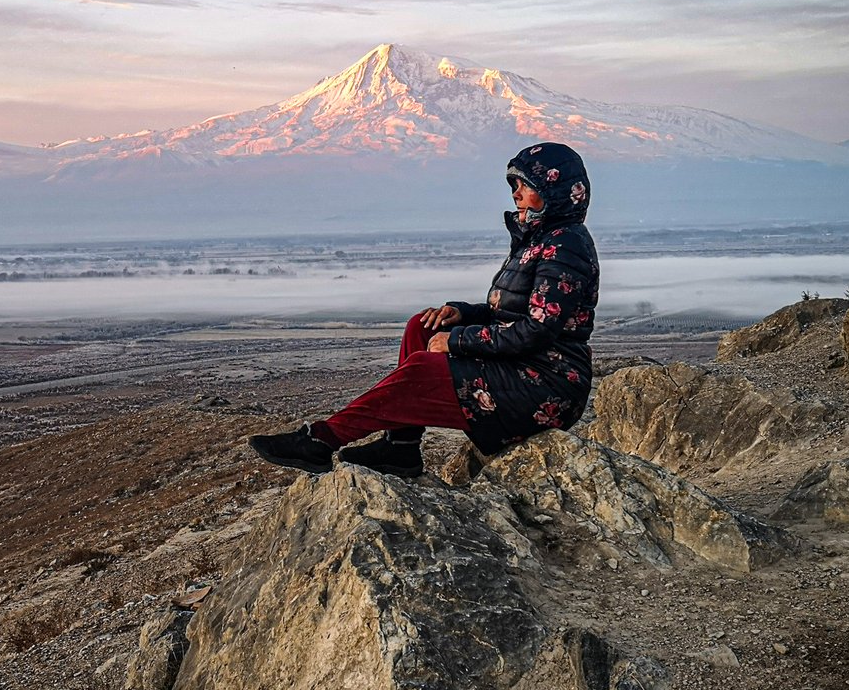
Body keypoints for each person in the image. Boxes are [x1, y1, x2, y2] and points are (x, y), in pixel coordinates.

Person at [248, 141, 599, 478]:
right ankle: (401, 446)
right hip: (523, 367)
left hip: (548, 384)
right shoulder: (538, 239)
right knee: (423, 326)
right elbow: (511, 314)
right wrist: (460, 313)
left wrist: (458, 341)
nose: (515, 194)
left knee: (424, 367)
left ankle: (321, 440)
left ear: (554, 190)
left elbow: (538, 330)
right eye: (514, 185)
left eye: (526, 185)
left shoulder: (565, 246)